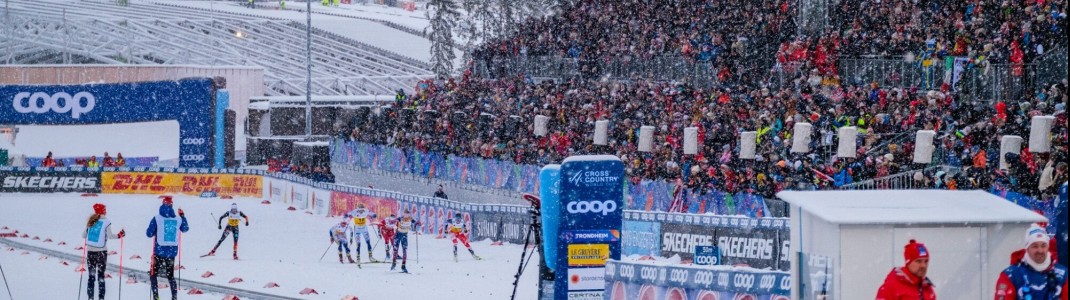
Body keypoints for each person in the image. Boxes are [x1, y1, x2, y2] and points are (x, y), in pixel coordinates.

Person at [994, 224, 1068, 300]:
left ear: (1048, 247)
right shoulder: (1010, 275)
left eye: (1043, 245)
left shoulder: (1063, 274)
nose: (1040, 250)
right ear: (1027, 248)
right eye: (1035, 246)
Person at [145, 195, 189, 300]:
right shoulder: (178, 219)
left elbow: (149, 233)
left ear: (162, 204)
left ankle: (156, 297)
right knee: (170, 276)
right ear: (172, 205)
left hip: (158, 252)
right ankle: (174, 297)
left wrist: (156, 231)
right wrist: (182, 216)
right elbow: (185, 228)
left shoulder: (157, 218)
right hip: (171, 252)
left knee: (153, 273)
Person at [83, 203, 125, 300]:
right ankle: (101, 298)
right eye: (105, 210)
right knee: (101, 276)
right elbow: (110, 236)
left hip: (90, 252)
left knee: (91, 276)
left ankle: (90, 298)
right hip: (101, 252)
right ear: (103, 211)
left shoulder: (91, 221)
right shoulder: (106, 222)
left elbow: (83, 235)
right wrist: (120, 235)